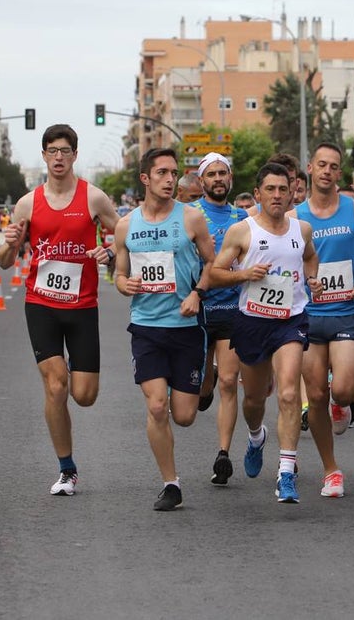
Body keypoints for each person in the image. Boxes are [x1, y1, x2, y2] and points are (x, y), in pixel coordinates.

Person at [0, 124, 120, 496]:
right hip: (41, 304)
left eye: (65, 150)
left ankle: (69, 375)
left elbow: (126, 236)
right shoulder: (27, 203)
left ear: (75, 155)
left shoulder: (94, 198)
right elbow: (6, 262)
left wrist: (112, 254)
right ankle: (67, 469)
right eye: (52, 151)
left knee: (83, 395)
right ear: (44, 155)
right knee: (55, 386)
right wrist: (7, 244)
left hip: (83, 306)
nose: (58, 157)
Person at [208, 163, 322, 503]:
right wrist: (244, 275)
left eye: (282, 190)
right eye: (270, 190)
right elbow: (215, 273)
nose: (276, 195)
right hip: (253, 320)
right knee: (254, 400)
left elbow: (311, 258)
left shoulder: (302, 230)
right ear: (258, 194)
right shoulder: (242, 232)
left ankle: (286, 473)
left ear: (292, 193)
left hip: (291, 319)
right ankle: (256, 436)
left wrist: (312, 278)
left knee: (288, 394)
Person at [112, 148, 216, 511]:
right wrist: (123, 284)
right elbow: (118, 273)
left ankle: (208, 375)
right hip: (146, 328)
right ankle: (171, 483)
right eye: (162, 173)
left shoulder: (192, 219)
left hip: (186, 327)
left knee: (184, 416)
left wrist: (199, 294)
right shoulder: (126, 225)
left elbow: (212, 264)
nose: (170, 179)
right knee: (158, 407)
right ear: (145, 178)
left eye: (173, 173)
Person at [294, 142, 354, 498]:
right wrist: (305, 278)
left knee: (344, 390)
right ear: (310, 168)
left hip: (347, 313)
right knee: (314, 395)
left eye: (334, 166)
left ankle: (339, 404)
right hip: (309, 316)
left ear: (339, 172)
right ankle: (331, 470)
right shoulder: (295, 217)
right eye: (322, 165)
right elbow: (287, 263)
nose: (328, 171)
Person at [190, 152, 249, 486]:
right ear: (201, 181)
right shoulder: (190, 215)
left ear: (230, 178)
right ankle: (204, 380)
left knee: (229, 383)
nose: (217, 179)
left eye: (222, 173)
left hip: (231, 308)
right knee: (201, 388)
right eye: (211, 174)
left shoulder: (242, 218)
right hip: (198, 308)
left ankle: (223, 455)